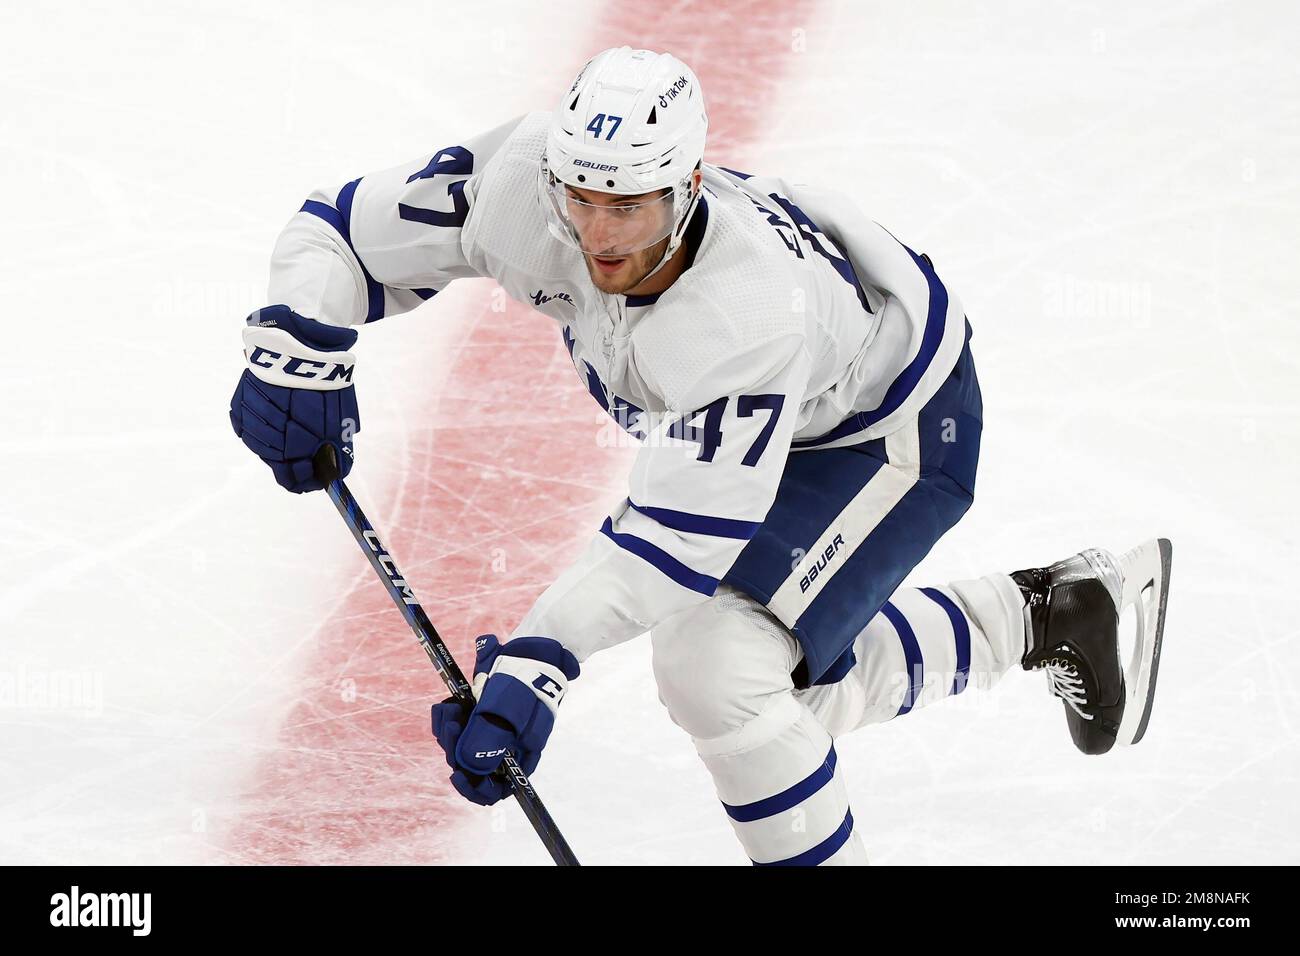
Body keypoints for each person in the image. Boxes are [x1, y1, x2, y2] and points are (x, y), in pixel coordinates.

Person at [229, 46, 1172, 865]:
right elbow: (341, 231)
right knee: (778, 687)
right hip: (778, 415)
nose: (597, 235)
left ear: (685, 188)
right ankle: (1055, 612)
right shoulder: (524, 182)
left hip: (889, 426)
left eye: (630, 206)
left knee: (720, 664)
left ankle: (1042, 620)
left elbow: (675, 542)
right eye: (582, 197)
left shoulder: (742, 313)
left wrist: (537, 660)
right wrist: (296, 349)